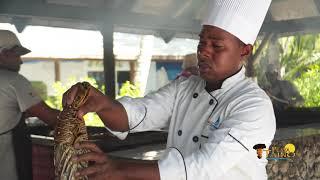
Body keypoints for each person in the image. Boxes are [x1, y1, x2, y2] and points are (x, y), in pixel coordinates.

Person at [63, 0, 276, 179]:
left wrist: (118, 168)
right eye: (201, 42)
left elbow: (204, 167)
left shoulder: (253, 104)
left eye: (216, 46)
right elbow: (137, 114)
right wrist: (103, 103)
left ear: (245, 51)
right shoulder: (185, 87)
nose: (203, 52)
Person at [0, 30, 60, 180]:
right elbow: (51, 117)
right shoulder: (14, 80)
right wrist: (77, 114)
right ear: (4, 54)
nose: (20, 61)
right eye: (17, 55)